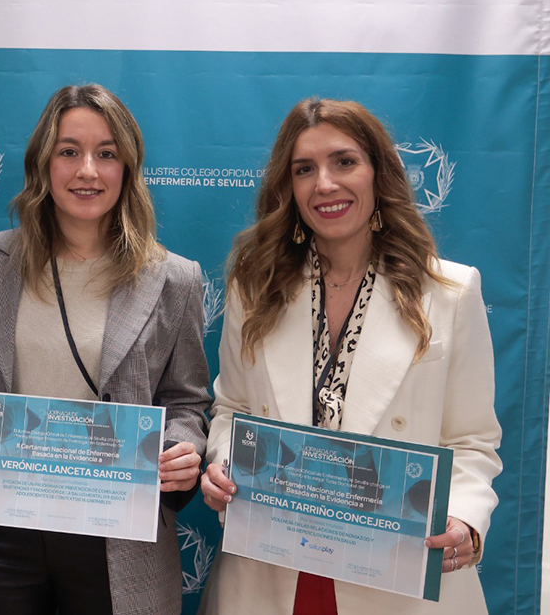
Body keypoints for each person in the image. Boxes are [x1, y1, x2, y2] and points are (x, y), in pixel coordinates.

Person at [198, 98, 502, 614]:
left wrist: (467, 518)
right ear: (288, 188)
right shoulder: (255, 286)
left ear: (378, 174)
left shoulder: (449, 291)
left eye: (344, 162)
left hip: (396, 576)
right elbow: (231, 409)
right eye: (304, 169)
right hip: (272, 571)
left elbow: (471, 440)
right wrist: (225, 464)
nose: (324, 184)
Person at [0, 84, 212, 615]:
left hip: (119, 536)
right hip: (0, 530)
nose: (88, 169)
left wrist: (181, 449)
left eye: (106, 154)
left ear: (127, 168)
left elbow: (187, 399)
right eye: (69, 151)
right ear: (43, 163)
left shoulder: (175, 280)